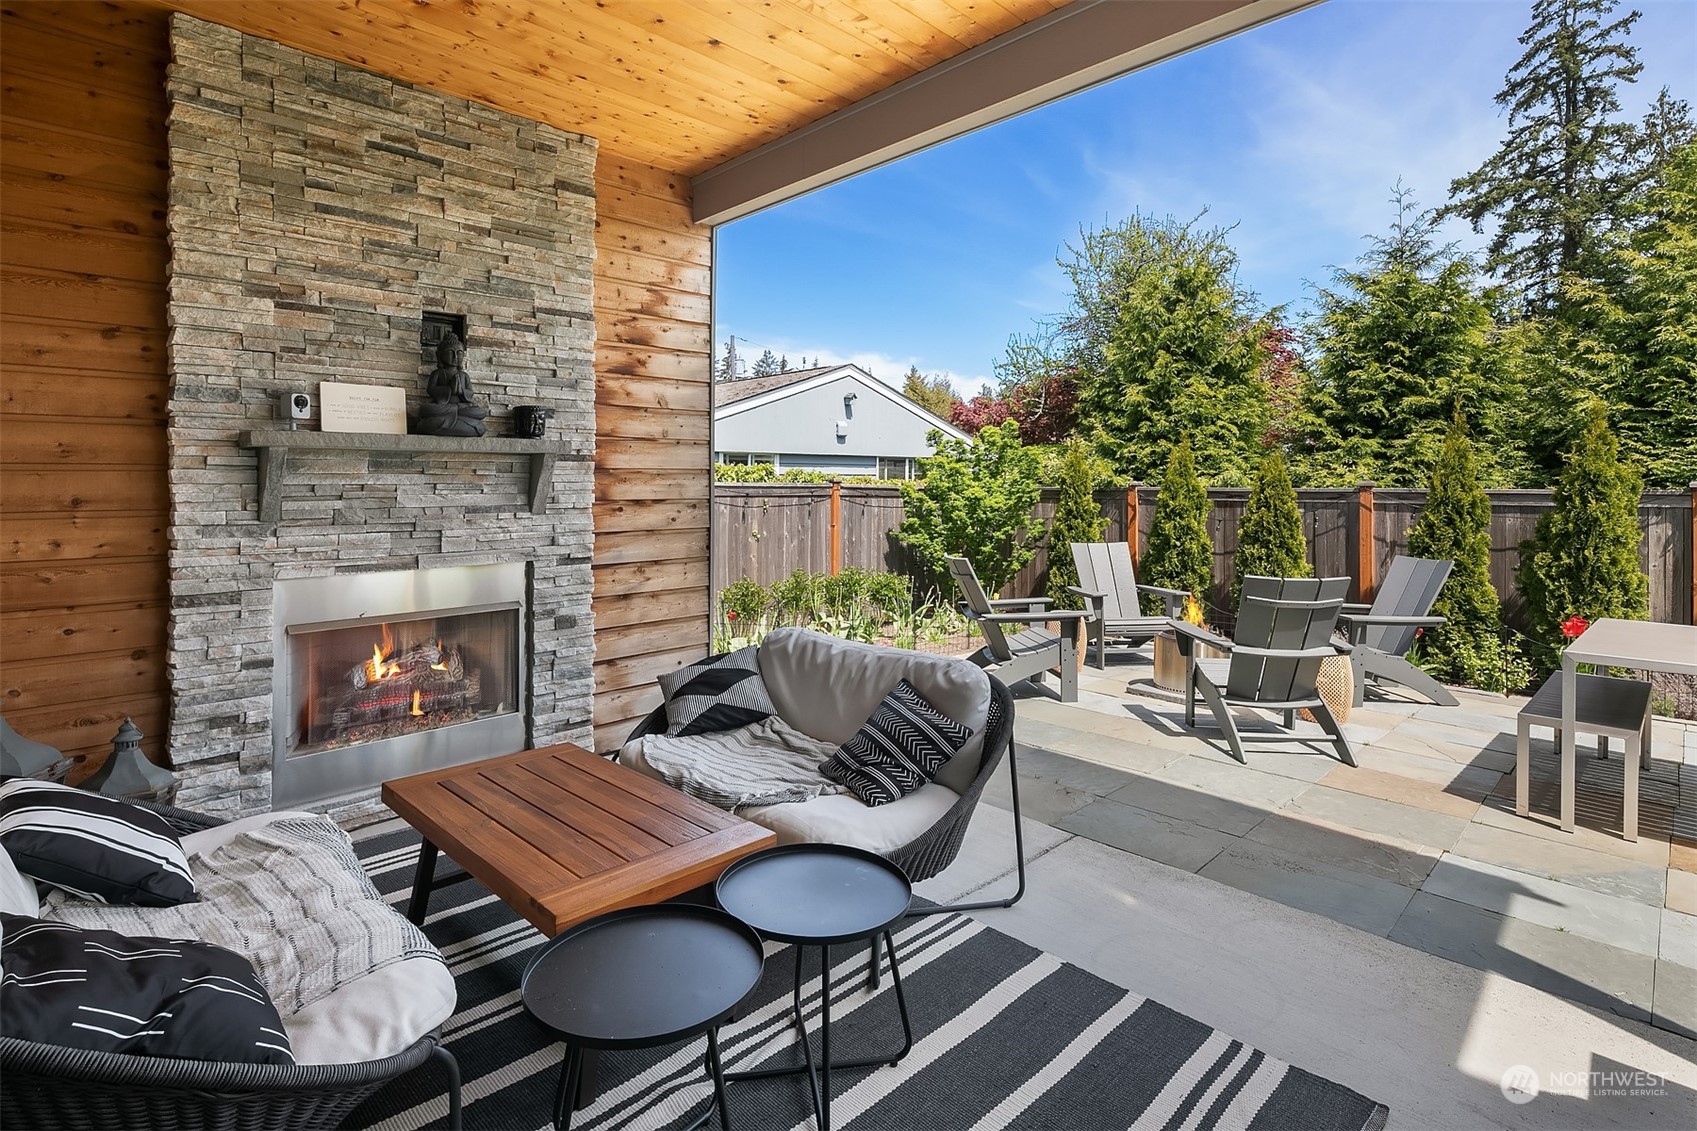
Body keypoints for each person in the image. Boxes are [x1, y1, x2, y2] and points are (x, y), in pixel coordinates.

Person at [414, 331, 488, 437]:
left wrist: (461, 391)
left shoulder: (464, 375)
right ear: (440, 355)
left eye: (459, 353)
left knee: (480, 412)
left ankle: (452, 421)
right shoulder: (437, 373)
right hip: (443, 407)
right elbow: (431, 390)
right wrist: (449, 389)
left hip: (461, 407)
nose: (455, 357)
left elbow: (470, 392)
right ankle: (463, 424)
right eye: (450, 352)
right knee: (424, 409)